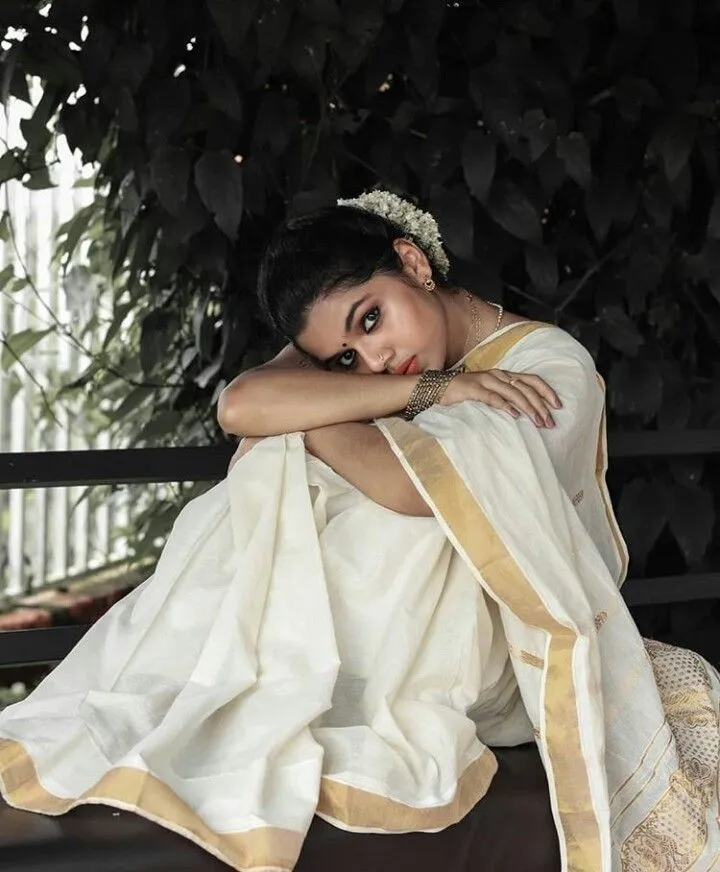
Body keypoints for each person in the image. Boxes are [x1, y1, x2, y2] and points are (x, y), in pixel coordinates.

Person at [0, 192, 717, 872]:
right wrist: (424, 390)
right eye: (343, 360)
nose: (372, 360)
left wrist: (315, 412)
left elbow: (413, 492)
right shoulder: (417, 373)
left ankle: (248, 682)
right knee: (280, 463)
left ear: (412, 262)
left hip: (493, 631)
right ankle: (224, 687)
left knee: (302, 457)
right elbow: (244, 403)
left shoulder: (550, 368)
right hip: (389, 614)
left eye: (371, 319)